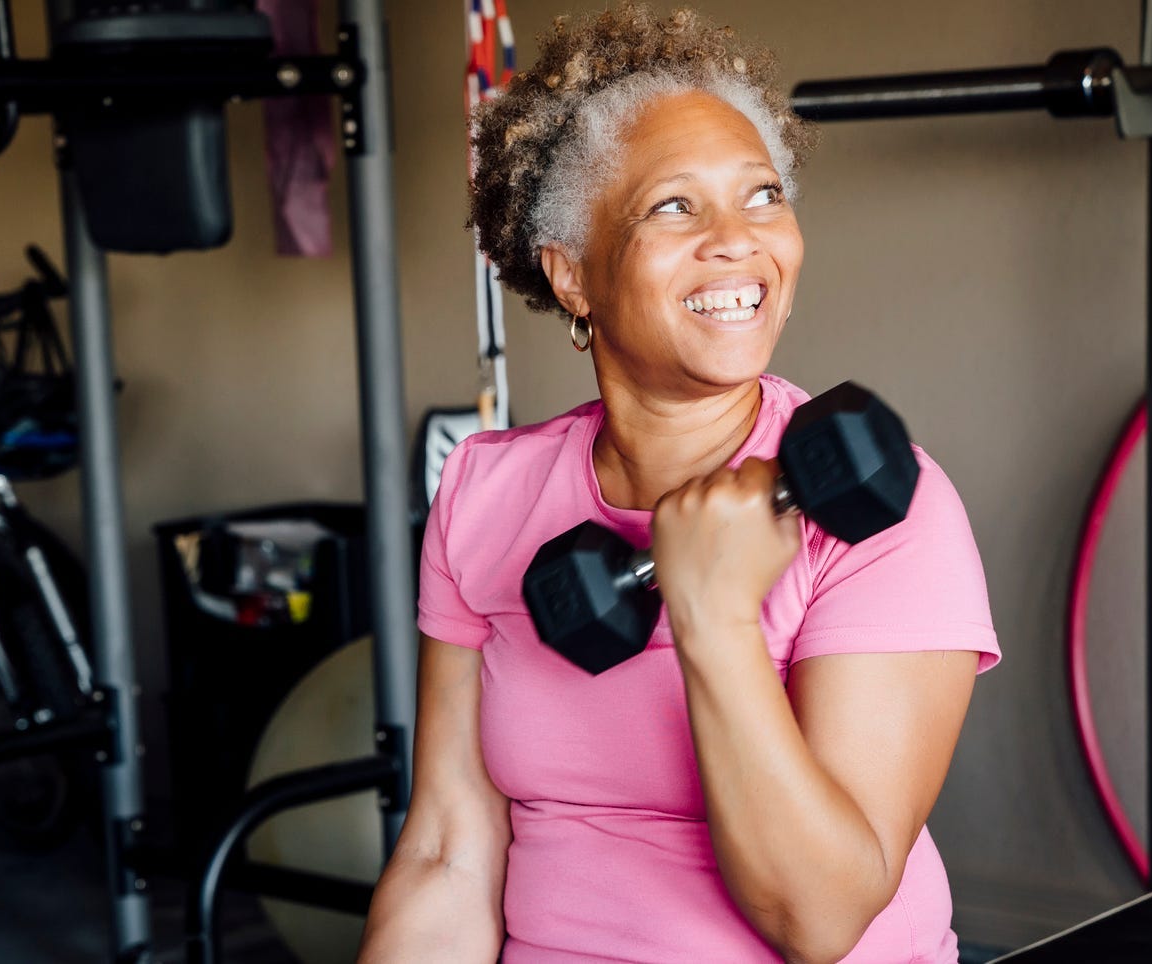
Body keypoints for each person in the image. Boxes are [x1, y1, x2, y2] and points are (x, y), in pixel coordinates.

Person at [358, 5, 1000, 962]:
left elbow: (819, 918)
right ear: (571, 275)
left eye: (763, 196)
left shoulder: (884, 506)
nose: (738, 240)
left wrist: (714, 618)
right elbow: (451, 851)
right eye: (674, 206)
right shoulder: (486, 496)